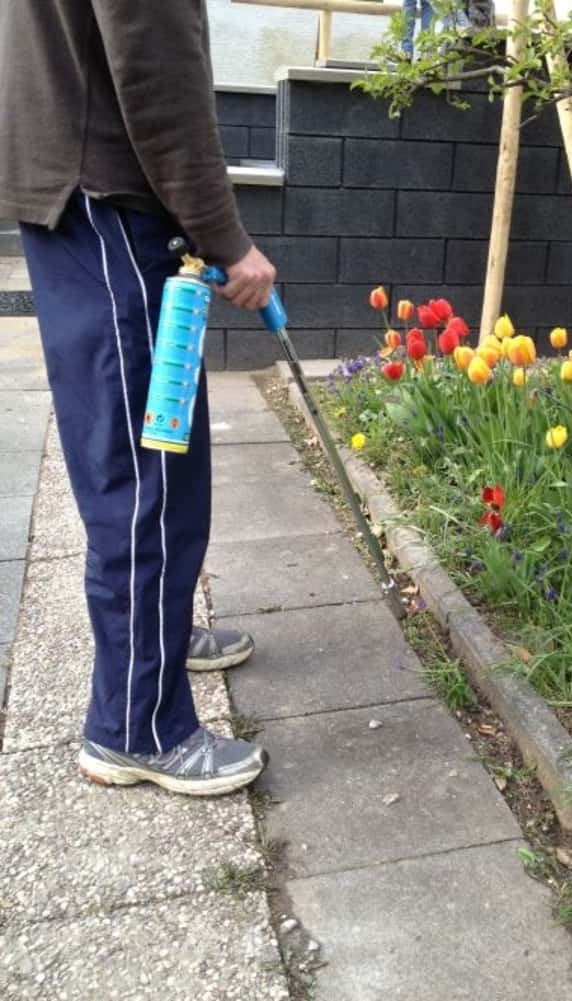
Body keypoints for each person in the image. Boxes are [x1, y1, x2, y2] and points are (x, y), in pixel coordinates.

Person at [0, 1, 276, 796]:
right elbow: (156, 71)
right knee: (142, 471)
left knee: (155, 453)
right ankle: (135, 725)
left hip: (81, 188)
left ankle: (160, 638)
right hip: (108, 200)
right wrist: (225, 237)